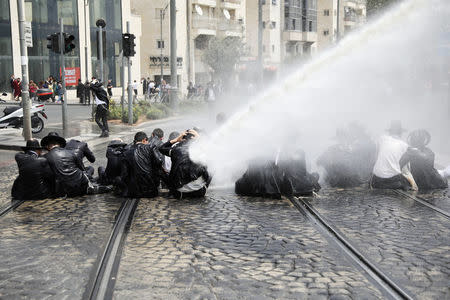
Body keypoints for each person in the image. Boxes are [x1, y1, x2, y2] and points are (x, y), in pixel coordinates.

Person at [159, 129, 211, 199]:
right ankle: (204, 187)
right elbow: (215, 148)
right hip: (199, 192)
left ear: (183, 139)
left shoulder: (175, 149)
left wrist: (176, 140)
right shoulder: (201, 149)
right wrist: (199, 138)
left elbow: (161, 148)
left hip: (180, 193)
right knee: (212, 167)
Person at [371, 121, 413, 190]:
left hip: (376, 179)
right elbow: (406, 170)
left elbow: (376, 157)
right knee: (407, 182)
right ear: (400, 132)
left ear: (390, 131)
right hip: (392, 179)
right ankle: (396, 185)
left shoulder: (382, 139)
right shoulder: (404, 145)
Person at [120, 132, 162, 198]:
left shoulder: (126, 153)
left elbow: (124, 174)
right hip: (151, 191)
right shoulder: (151, 147)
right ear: (144, 140)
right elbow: (159, 162)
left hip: (133, 192)